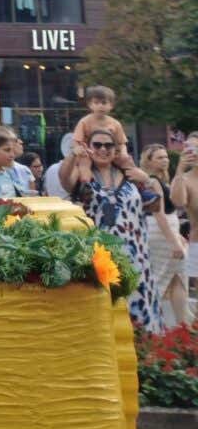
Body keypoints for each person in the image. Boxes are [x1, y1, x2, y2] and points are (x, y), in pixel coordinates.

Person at [63, 126, 162, 332]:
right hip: (100, 258)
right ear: (89, 147)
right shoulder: (84, 176)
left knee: (140, 319)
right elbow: (65, 179)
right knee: (107, 316)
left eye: (108, 145)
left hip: (137, 259)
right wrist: (74, 155)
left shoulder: (130, 174)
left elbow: (155, 206)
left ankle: (147, 358)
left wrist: (147, 180)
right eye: (97, 145)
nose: (103, 149)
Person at [141, 144, 191, 327]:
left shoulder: (160, 180)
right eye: (159, 158)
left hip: (166, 231)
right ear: (149, 161)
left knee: (174, 276)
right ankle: (176, 326)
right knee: (170, 277)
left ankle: (177, 326)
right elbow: (159, 213)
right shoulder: (153, 181)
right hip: (161, 232)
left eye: (166, 157)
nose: (165, 160)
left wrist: (177, 236)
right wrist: (174, 241)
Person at [171, 134, 198, 304]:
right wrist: (180, 170)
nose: (193, 153)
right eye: (189, 148)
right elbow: (178, 202)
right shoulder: (185, 179)